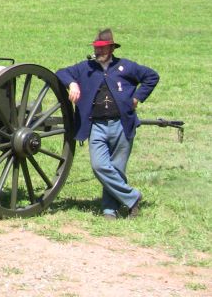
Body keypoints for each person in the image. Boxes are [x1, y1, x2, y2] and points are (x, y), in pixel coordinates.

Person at [56, 29, 159, 220]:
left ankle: (110, 210)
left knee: (117, 169)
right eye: (96, 48)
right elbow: (61, 72)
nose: (98, 52)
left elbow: (152, 76)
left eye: (102, 49)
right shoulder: (85, 68)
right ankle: (133, 198)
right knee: (100, 166)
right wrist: (72, 84)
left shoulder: (126, 67)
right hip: (97, 126)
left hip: (122, 124)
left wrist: (138, 97)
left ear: (111, 48)